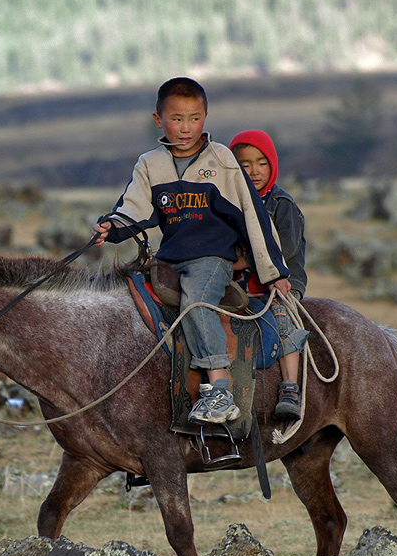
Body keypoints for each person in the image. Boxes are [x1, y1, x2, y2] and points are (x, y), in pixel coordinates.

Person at [93, 78, 290, 425]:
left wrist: (274, 272)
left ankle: (220, 391)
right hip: (169, 258)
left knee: (196, 300)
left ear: (206, 117)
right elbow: (134, 207)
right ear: (158, 119)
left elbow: (253, 217)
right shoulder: (150, 163)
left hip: (212, 258)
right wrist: (111, 227)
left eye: (195, 118)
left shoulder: (223, 161)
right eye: (177, 118)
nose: (186, 128)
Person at [228, 129, 310, 421]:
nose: (253, 171)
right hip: (240, 283)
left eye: (261, 163)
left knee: (282, 318)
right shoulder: (230, 202)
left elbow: (283, 252)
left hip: (282, 279)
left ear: (272, 165)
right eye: (244, 164)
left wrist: (239, 262)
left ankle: (289, 387)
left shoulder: (282, 204)